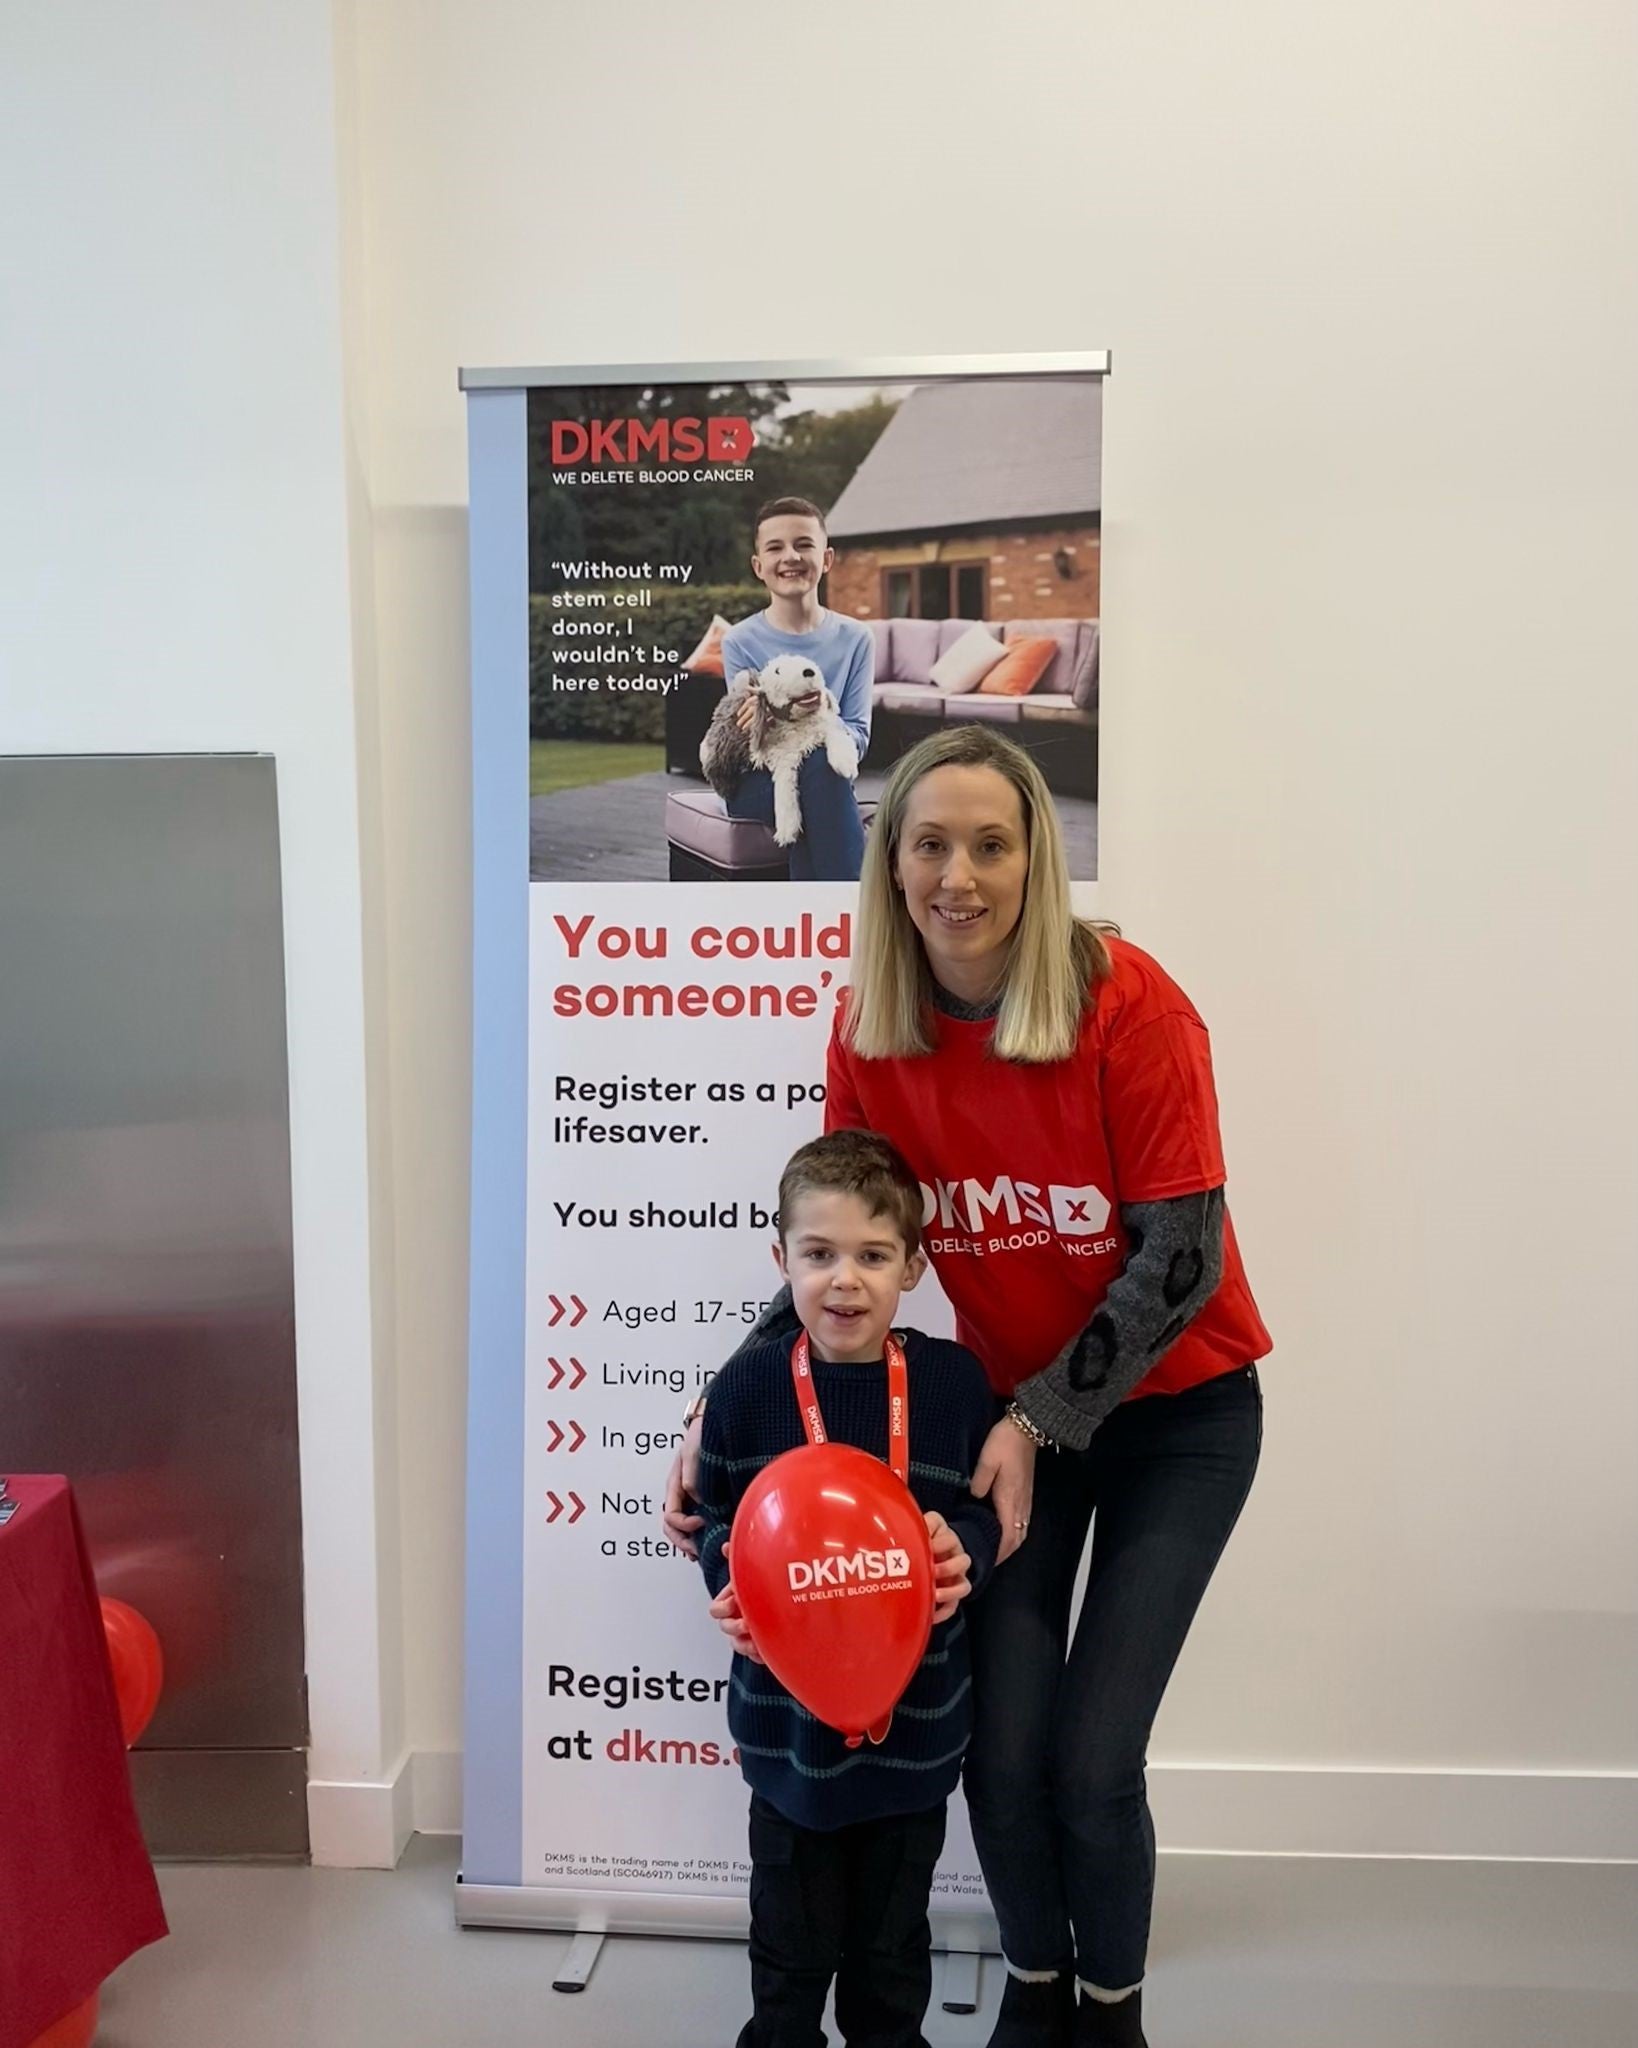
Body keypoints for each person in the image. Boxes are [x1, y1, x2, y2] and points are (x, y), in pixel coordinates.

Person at [669, 725, 1271, 2048]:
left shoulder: (1128, 1002)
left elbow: (1180, 1259)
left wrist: (1039, 1415)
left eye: (990, 843)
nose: (959, 875)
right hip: (1014, 1431)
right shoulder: (870, 1031)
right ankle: (1033, 1992)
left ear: (1033, 857)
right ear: (888, 864)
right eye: (927, 843)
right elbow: (841, 1251)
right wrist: (714, 1406)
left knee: (1089, 1760)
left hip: (1179, 1421)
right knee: (997, 1752)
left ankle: (1106, 2017)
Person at [696, 1128, 1001, 2048]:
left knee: (891, 1960)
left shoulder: (951, 1384)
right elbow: (717, 1517)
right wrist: (729, 1583)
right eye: (819, 1254)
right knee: (787, 1964)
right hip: (788, 1748)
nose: (845, 1280)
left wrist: (968, 1553)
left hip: (915, 1742)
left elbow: (980, 1518)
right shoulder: (749, 1386)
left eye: (874, 1256)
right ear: (779, 1258)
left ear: (913, 1267)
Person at [721, 496, 873, 880]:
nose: (790, 556)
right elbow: (746, 745)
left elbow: (858, 733)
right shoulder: (739, 641)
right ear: (759, 567)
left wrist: (819, 725)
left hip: (826, 770)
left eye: (804, 544)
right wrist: (760, 724)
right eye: (775, 547)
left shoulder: (857, 638)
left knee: (821, 770)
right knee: (822, 780)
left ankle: (810, 928)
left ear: (827, 559)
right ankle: (849, 917)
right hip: (758, 782)